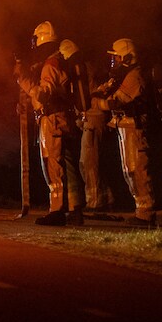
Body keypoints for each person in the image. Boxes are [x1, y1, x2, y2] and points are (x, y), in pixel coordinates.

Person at [15, 22, 85, 226]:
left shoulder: (50, 64)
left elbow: (43, 94)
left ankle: (57, 211)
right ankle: (75, 209)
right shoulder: (59, 61)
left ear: (42, 39)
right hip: (63, 118)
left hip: (52, 119)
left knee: (52, 164)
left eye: (36, 40)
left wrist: (24, 81)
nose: (34, 45)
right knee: (69, 165)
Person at [92, 38, 157, 227]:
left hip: (134, 128)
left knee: (138, 170)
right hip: (124, 127)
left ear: (127, 57)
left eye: (118, 58)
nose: (115, 63)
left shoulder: (134, 76)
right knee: (129, 170)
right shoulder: (123, 76)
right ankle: (141, 210)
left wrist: (99, 103)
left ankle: (146, 213)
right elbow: (101, 92)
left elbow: (117, 100)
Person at [60, 39, 116, 217]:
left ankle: (95, 203)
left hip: (92, 117)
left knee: (88, 161)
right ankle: (104, 200)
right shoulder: (87, 65)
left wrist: (81, 112)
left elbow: (83, 96)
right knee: (93, 160)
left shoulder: (79, 67)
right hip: (94, 116)